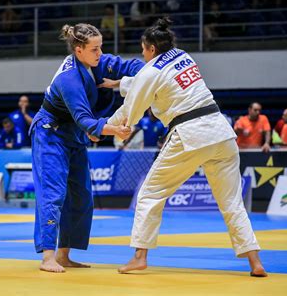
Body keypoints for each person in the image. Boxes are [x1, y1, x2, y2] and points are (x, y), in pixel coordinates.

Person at [103, 17, 266, 277]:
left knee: (150, 193)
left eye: (143, 49)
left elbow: (134, 107)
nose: (142, 54)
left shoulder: (150, 71)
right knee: (232, 203)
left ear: (151, 49)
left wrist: (108, 128)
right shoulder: (183, 56)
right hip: (222, 133)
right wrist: (120, 84)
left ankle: (139, 256)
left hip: (191, 134)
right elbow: (158, 82)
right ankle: (255, 262)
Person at [30, 23, 144, 273]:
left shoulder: (97, 62)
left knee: (82, 196)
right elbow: (85, 121)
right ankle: (47, 256)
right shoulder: (68, 79)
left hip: (73, 134)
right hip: (50, 134)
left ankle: (63, 255)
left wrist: (157, 70)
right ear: (79, 50)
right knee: (53, 194)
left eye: (101, 47)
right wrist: (113, 129)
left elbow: (131, 66)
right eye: (95, 49)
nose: (100, 53)